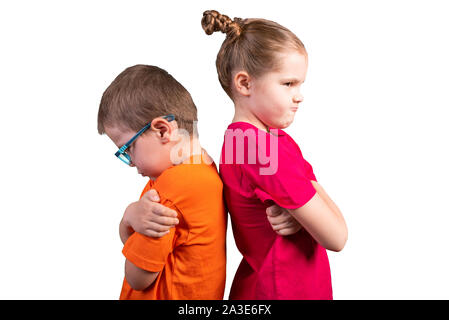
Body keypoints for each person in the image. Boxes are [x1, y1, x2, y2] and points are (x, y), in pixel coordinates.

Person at [201, 10, 348, 299]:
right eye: (288, 84)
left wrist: (301, 213)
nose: (300, 95)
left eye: (300, 84)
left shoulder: (273, 140)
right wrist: (308, 212)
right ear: (244, 84)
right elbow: (337, 235)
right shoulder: (257, 149)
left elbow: (318, 207)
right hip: (279, 290)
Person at [97, 64, 227, 299]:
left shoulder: (172, 190)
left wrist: (128, 221)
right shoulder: (203, 170)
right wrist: (130, 218)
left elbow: (137, 277)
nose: (130, 162)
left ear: (162, 131)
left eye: (127, 149)